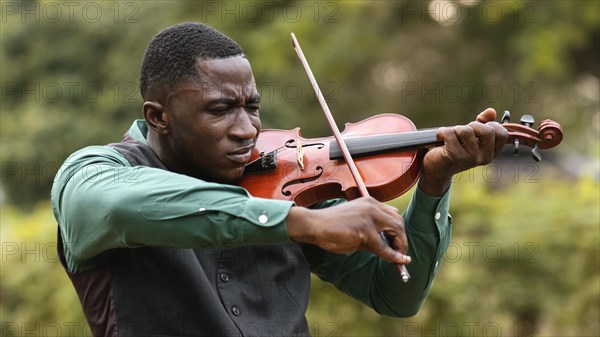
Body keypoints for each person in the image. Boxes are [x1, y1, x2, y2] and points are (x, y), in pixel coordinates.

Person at [51, 22, 508, 337]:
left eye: (251, 106)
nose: (247, 129)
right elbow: (119, 206)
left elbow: (396, 296)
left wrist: (433, 183)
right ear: (159, 116)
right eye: (220, 109)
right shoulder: (95, 175)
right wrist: (300, 223)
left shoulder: (290, 182)